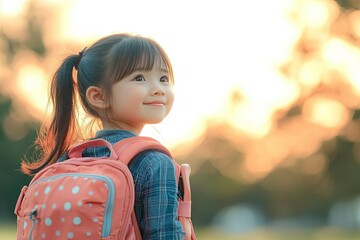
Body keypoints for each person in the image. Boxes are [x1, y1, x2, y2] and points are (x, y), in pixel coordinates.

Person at [21, 33, 186, 239]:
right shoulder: (154, 163)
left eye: (163, 79)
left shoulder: (70, 159)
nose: (158, 89)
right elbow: (164, 235)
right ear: (99, 96)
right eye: (139, 78)